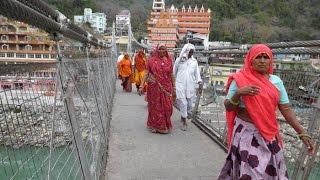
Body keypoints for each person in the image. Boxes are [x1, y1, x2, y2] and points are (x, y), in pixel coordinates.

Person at [217, 44, 315, 179]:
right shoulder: (240, 79)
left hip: (268, 134)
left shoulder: (276, 82)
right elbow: (228, 107)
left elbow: (285, 108)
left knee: (268, 171)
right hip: (246, 132)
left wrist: (301, 132)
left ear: (270, 61)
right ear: (251, 59)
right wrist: (238, 93)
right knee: (249, 171)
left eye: (266, 57)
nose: (262, 61)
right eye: (258, 57)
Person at [139, 44, 175, 134]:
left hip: (167, 88)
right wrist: (141, 86)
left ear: (166, 50)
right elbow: (147, 73)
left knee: (168, 107)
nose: (162, 51)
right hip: (154, 88)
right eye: (160, 49)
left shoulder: (169, 60)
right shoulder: (151, 61)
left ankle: (165, 124)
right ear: (157, 50)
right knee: (155, 108)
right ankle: (157, 126)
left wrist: (174, 87)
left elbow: (171, 74)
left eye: (163, 49)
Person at [174, 43, 202, 131]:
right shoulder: (179, 60)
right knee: (183, 103)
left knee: (189, 104)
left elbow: (197, 73)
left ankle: (183, 115)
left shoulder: (194, 62)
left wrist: (199, 82)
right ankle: (184, 121)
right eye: (189, 51)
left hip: (190, 85)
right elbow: (174, 72)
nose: (190, 53)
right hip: (180, 84)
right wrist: (173, 84)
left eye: (192, 52)